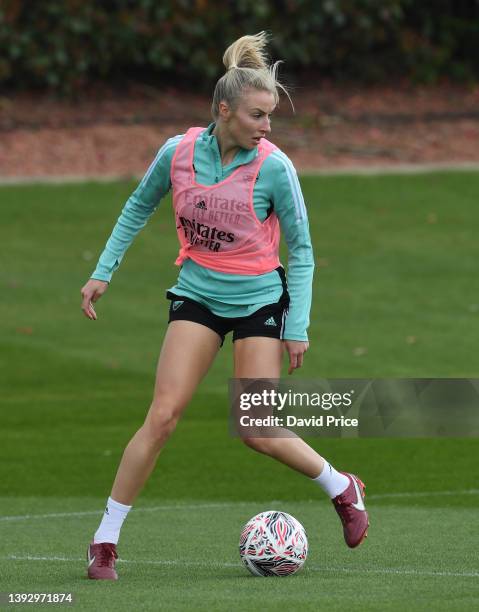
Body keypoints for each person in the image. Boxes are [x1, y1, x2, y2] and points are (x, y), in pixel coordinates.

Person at [81, 32, 368, 581]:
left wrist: (297, 325)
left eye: (271, 116)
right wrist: (102, 272)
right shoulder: (178, 153)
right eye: (258, 115)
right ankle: (105, 541)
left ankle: (341, 485)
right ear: (224, 110)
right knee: (162, 417)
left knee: (256, 429)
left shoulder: (275, 168)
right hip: (196, 295)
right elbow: (137, 207)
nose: (267, 126)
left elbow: (303, 251)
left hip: (260, 300)